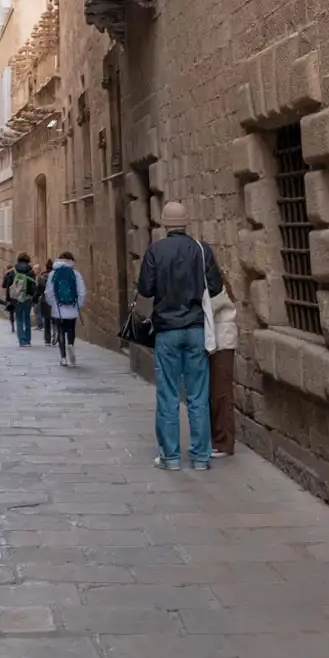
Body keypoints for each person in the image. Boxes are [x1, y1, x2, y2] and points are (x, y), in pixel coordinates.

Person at [137, 200, 222, 471]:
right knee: (198, 394)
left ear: (164, 223)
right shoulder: (201, 250)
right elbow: (217, 287)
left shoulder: (155, 250)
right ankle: (200, 457)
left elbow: (146, 289)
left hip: (167, 331)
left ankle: (170, 458)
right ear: (186, 222)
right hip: (196, 329)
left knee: (168, 395)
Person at [209, 273, 239, 457]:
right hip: (216, 343)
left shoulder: (216, 284)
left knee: (221, 393)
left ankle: (224, 443)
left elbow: (208, 308)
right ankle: (217, 439)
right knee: (215, 393)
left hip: (223, 343)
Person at [46, 250, 87, 365]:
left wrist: (52, 303)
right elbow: (82, 292)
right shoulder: (75, 274)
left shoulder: (53, 274)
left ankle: (63, 358)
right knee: (71, 329)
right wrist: (79, 304)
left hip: (58, 308)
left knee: (60, 331)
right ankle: (71, 345)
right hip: (72, 307)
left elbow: (48, 292)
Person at [9, 251, 38, 346]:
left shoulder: (14, 270)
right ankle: (28, 340)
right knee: (27, 318)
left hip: (17, 297)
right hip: (27, 297)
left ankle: (22, 340)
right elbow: (34, 285)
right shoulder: (31, 271)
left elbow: (8, 283)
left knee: (19, 318)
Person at [38, 259, 55, 346]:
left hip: (44, 300)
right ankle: (56, 335)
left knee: (46, 321)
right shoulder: (56, 276)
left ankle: (47, 340)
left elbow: (39, 290)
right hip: (54, 301)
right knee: (55, 320)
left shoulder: (41, 277)